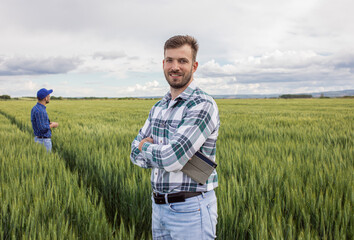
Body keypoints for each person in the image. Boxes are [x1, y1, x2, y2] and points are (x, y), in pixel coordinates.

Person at [130, 35, 220, 239]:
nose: (175, 67)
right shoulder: (159, 107)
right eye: (170, 60)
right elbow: (133, 153)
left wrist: (146, 147)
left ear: (194, 66)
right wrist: (162, 153)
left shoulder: (201, 105)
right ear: (163, 64)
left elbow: (172, 158)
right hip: (158, 208)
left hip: (191, 210)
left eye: (182, 61)